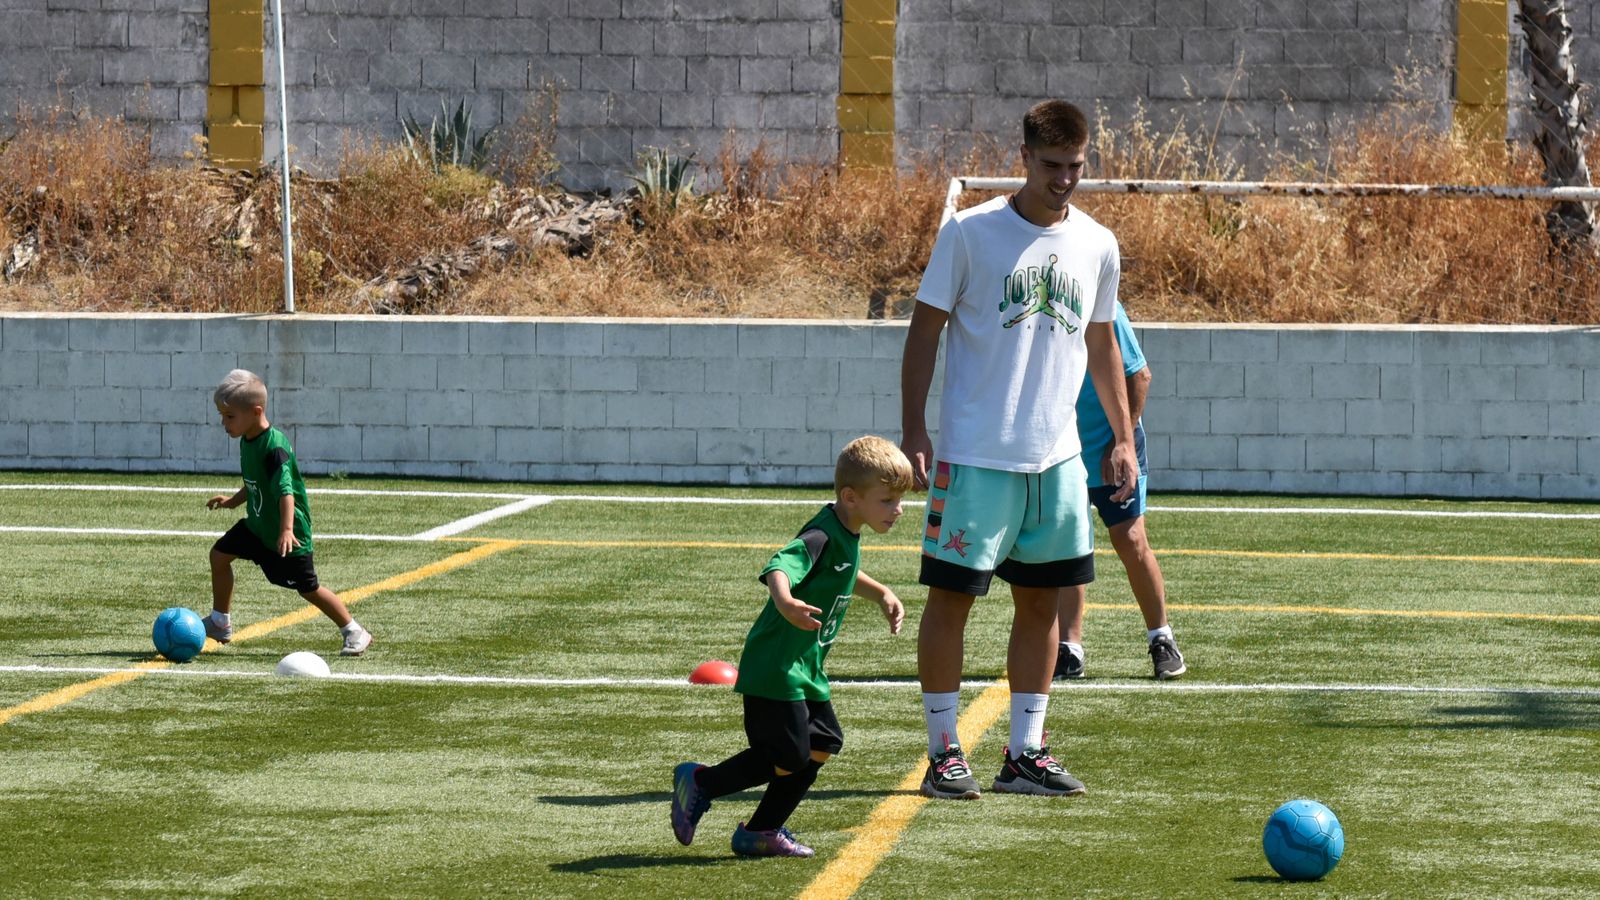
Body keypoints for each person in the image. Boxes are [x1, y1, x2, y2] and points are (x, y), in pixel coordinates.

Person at [901, 99, 1138, 800]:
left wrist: (1123, 438)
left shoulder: (1098, 243)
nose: (1064, 179)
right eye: (1052, 165)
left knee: (1042, 606)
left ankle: (1024, 754)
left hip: (1058, 460)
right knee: (951, 602)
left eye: (1076, 166)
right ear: (1024, 158)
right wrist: (914, 428)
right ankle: (944, 753)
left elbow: (1102, 343)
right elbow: (923, 331)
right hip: (976, 457)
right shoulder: (969, 233)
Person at [671, 436, 913, 857]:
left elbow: (842, 570)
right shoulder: (821, 533)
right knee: (788, 755)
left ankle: (761, 831)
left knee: (822, 743)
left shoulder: (847, 530)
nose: (899, 509)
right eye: (888, 500)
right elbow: (781, 564)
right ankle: (701, 782)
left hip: (805, 667)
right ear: (851, 497)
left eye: (900, 500)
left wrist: (881, 594)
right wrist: (784, 601)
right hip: (777, 666)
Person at [1054, 301, 1186, 681]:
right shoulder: (1040, 304)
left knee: (1130, 539)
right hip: (1063, 448)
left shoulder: (1102, 305)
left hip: (1112, 446)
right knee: (1066, 544)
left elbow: (1140, 376)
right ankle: (1069, 649)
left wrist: (1119, 442)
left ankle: (1162, 638)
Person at [204, 369, 373, 657]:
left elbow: (286, 492)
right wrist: (233, 501)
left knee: (308, 588)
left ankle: (354, 630)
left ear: (256, 412)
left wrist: (286, 529)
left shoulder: (274, 447)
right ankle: (220, 622)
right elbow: (255, 482)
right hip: (258, 527)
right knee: (219, 556)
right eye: (222, 416)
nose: (223, 423)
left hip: (288, 534)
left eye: (229, 416)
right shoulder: (247, 439)